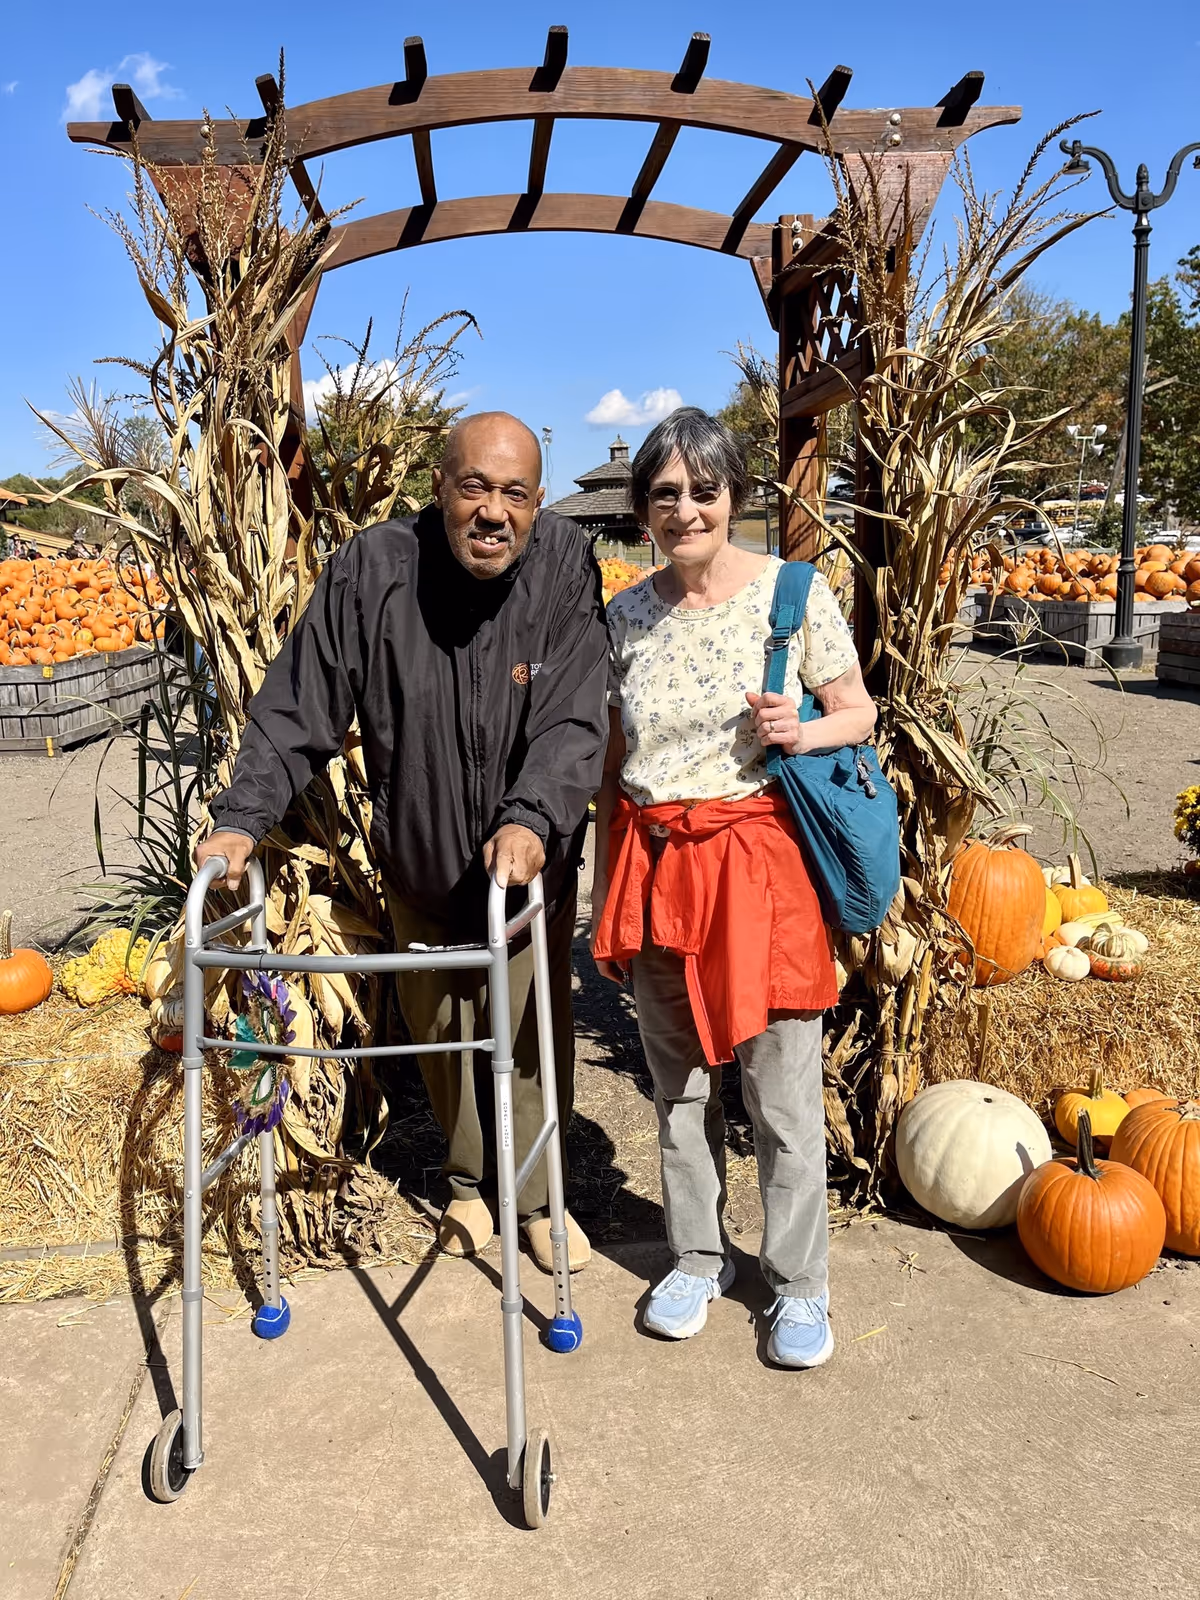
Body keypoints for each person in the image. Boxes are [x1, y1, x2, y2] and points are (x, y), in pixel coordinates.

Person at [197, 411, 608, 1270]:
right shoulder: (373, 572)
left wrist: (531, 817)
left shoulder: (566, 565)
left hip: (525, 873)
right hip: (419, 862)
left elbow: (574, 716)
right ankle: (467, 1185)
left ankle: (537, 1196)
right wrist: (242, 816)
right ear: (439, 487)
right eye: (474, 487)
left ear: (536, 504)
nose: (493, 511)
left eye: (514, 494)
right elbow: (297, 702)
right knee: (446, 1037)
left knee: (531, 1033)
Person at [591, 407, 878, 1367]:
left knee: (783, 1093)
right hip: (659, 864)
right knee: (676, 1089)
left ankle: (800, 1287)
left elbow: (858, 715)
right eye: (664, 495)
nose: (685, 511)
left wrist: (800, 727)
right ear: (642, 513)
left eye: (703, 491)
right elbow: (617, 758)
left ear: (734, 497)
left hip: (759, 872)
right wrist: (605, 884)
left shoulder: (793, 594)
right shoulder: (626, 613)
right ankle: (697, 1259)